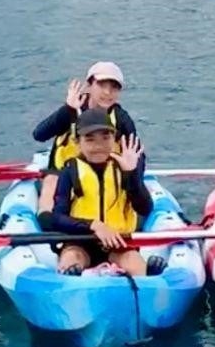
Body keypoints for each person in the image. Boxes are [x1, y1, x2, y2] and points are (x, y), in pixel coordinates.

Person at [41, 109, 153, 276]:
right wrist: (94, 225)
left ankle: (146, 283)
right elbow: (57, 218)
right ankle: (71, 280)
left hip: (118, 243)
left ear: (114, 140)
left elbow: (144, 208)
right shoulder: (70, 171)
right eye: (90, 139)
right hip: (80, 243)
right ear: (78, 142)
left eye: (105, 138)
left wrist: (131, 174)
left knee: (134, 262)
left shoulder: (123, 168)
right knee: (71, 259)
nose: (98, 146)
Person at [32, 62, 138, 212]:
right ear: (89, 85)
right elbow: (39, 135)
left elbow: (136, 153)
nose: (107, 93)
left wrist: (132, 178)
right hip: (64, 171)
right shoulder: (73, 107)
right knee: (51, 181)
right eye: (102, 85)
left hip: (104, 171)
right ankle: (48, 221)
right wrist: (67, 110)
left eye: (114, 87)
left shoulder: (121, 118)